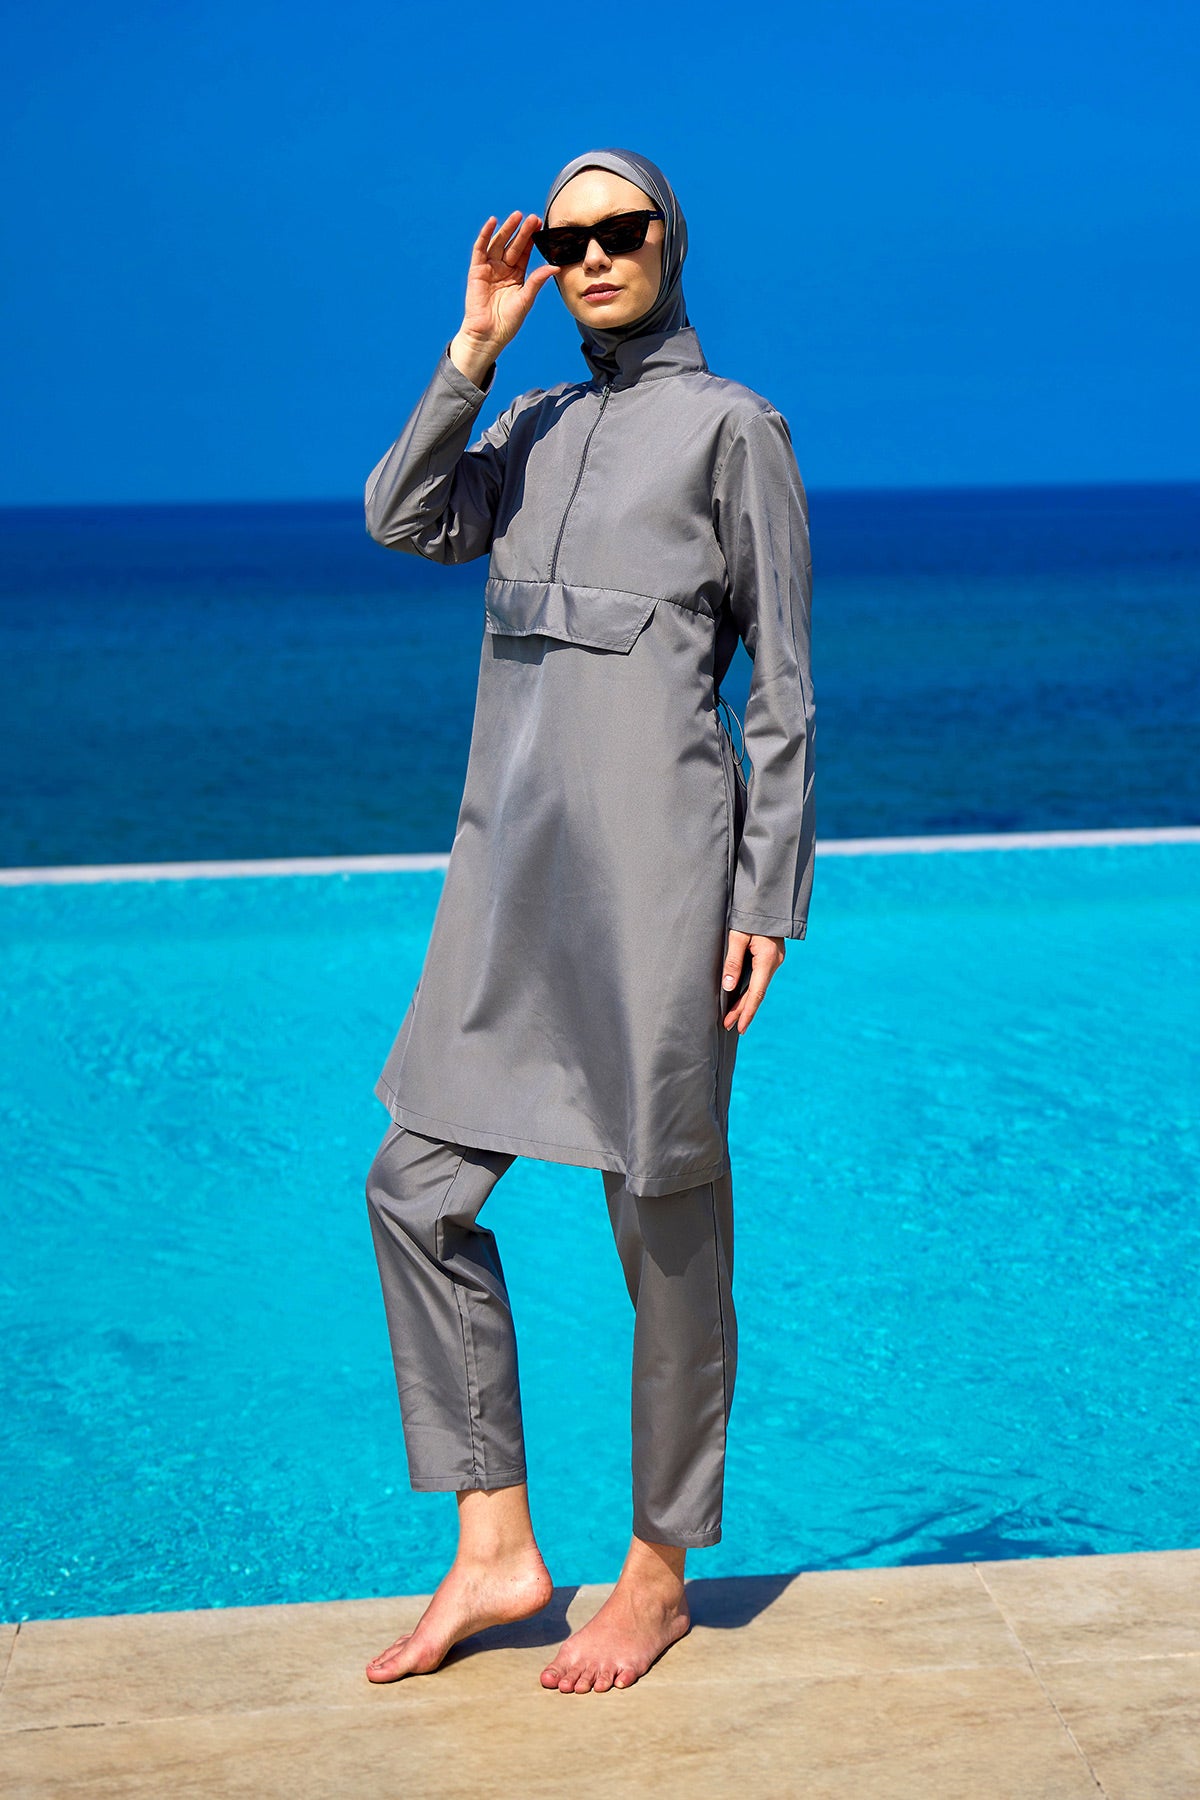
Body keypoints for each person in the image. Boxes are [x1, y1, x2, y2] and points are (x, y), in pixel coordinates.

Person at [361, 148, 815, 1694]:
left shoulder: (735, 429)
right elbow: (403, 517)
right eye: (569, 239)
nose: (596, 254)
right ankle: (495, 1545)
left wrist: (767, 894)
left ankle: (657, 1571)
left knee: (663, 1224)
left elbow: (786, 687)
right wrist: (472, 351)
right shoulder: (530, 425)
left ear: (674, 240)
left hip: (662, 883)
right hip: (508, 879)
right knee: (412, 1187)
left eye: (623, 229)